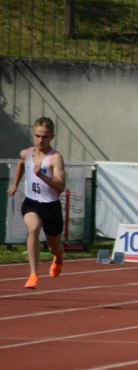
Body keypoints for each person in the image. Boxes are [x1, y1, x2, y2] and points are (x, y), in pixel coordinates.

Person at [7, 117, 66, 290]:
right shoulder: (27, 153)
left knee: (54, 246)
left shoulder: (55, 158)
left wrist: (41, 176)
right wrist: (15, 185)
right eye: (37, 136)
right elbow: (21, 163)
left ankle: (59, 258)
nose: (40, 140)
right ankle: (34, 273)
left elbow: (61, 186)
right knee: (33, 228)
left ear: (52, 137)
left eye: (45, 137)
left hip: (51, 207)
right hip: (32, 203)